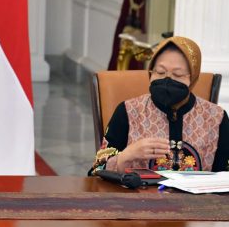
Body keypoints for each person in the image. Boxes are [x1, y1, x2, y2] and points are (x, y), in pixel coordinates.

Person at [92, 35, 229, 173]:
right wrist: (127, 155)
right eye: (160, 72)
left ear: (193, 78)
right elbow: (97, 170)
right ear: (151, 72)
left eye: (178, 74)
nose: (167, 79)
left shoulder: (216, 118)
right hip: (140, 194)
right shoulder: (128, 111)